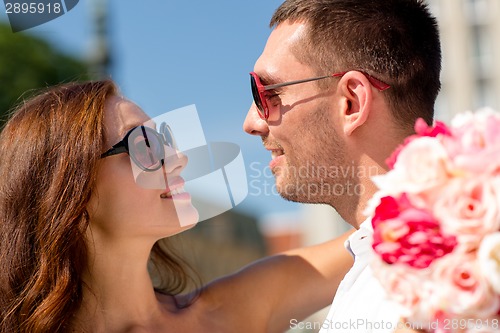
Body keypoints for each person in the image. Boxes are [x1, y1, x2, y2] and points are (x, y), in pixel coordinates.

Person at [0, 79, 354, 333]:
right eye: (145, 145)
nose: (180, 158)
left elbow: (386, 234)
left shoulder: (234, 310)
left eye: (165, 139)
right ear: (68, 192)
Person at [243, 0, 441, 332]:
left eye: (267, 92)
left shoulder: (463, 273)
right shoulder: (371, 268)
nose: (251, 123)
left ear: (351, 102)